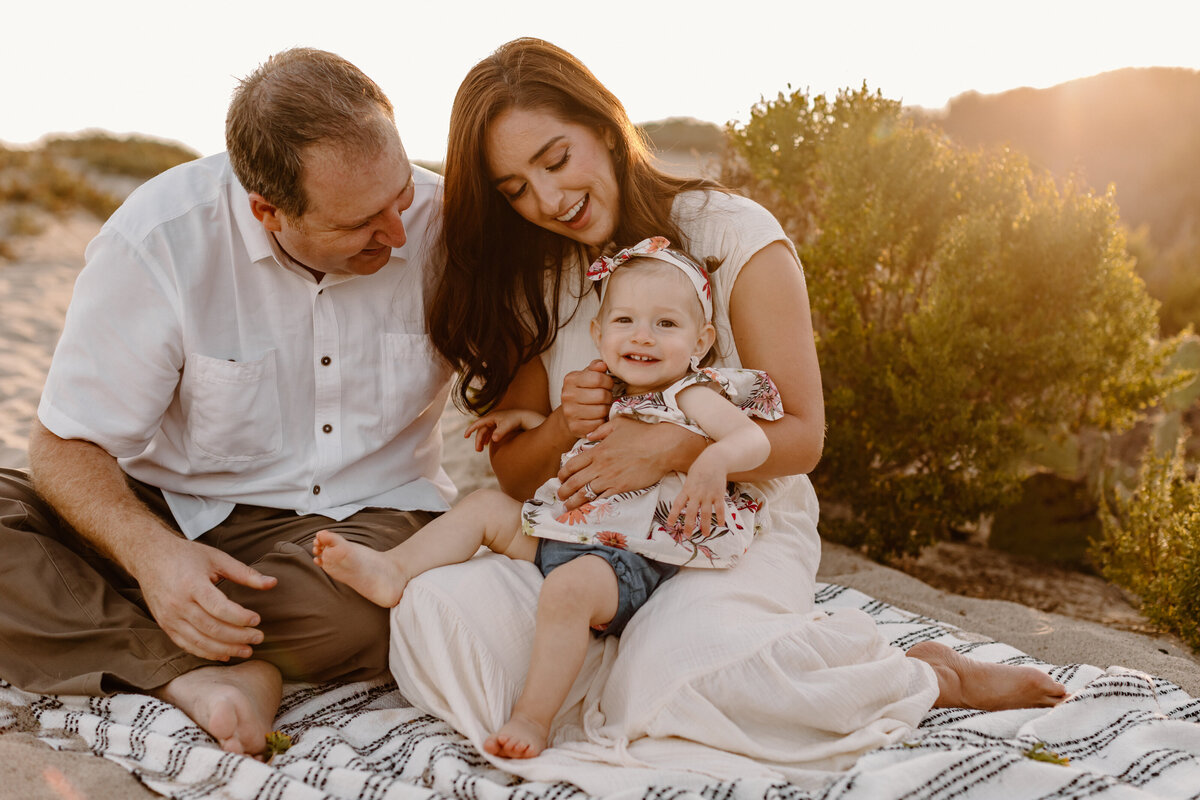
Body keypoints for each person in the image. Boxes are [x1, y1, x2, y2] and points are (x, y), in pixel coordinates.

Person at [390, 37, 1067, 779]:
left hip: (725, 529)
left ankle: (930, 674)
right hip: (586, 542)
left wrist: (675, 451)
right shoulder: (542, 273)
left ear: (604, 126)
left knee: (701, 681)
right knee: (432, 621)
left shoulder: (735, 233)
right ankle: (615, 671)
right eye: (515, 188)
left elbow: (804, 438)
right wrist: (562, 424)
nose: (548, 200)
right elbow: (517, 479)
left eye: (555, 160)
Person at [0, 48, 454, 758]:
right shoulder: (160, 239)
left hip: (360, 530)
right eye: (363, 222)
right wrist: (153, 557)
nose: (398, 233)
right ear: (267, 210)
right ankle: (188, 671)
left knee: (360, 613)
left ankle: (139, 642)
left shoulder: (447, 224)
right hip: (174, 512)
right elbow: (64, 445)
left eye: (400, 196)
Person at [314, 237, 782, 757]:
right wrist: (528, 421)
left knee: (565, 593)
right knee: (483, 507)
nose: (643, 337)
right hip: (565, 531)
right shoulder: (609, 387)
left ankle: (532, 720)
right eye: (625, 321)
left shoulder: (691, 392)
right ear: (598, 333)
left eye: (666, 324)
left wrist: (713, 459)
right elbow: (583, 438)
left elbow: (754, 439)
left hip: (627, 562)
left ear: (701, 340)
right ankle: (392, 570)